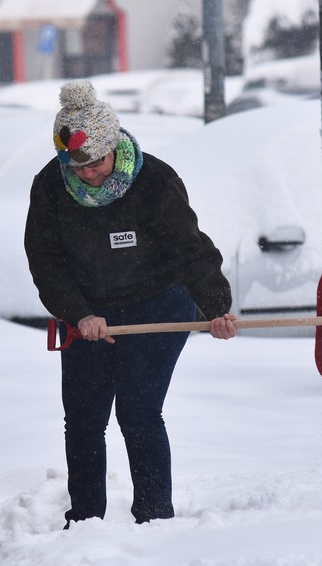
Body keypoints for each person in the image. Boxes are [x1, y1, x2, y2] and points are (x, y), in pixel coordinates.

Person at [24, 80, 237, 527]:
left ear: (112, 146)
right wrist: (79, 312)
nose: (86, 173)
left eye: (94, 162)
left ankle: (156, 520)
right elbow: (46, 261)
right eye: (75, 165)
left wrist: (216, 306)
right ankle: (84, 522)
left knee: (138, 412)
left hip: (157, 303)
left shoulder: (153, 180)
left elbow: (190, 248)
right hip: (87, 312)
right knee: (83, 418)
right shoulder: (50, 186)